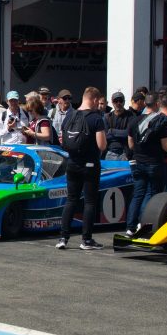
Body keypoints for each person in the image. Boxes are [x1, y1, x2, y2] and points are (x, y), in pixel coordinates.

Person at [57, 87, 107, 250]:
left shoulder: (70, 115)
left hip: (72, 163)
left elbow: (62, 141)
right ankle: (86, 240)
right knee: (90, 202)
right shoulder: (96, 118)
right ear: (93, 100)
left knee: (71, 199)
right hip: (90, 165)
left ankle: (63, 238)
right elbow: (102, 144)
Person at [125, 92, 167, 236]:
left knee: (138, 194)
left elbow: (130, 144)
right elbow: (166, 146)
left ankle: (130, 226)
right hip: (154, 163)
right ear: (157, 104)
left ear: (145, 104)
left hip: (138, 162)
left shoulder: (134, 121)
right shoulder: (161, 120)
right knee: (152, 195)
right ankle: (145, 225)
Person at [103, 92, 134, 161]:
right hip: (110, 152)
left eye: (120, 101)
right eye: (115, 101)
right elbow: (105, 135)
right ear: (112, 102)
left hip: (125, 152)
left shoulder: (130, 116)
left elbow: (129, 133)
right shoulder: (107, 117)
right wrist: (121, 134)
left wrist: (112, 131)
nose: (118, 103)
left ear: (124, 102)